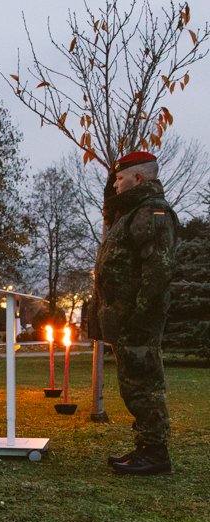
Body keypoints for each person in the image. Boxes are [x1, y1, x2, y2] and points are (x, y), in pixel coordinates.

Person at [93, 151, 179, 476]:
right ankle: (146, 446)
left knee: (145, 386)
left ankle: (156, 454)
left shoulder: (151, 212)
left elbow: (158, 269)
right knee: (133, 386)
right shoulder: (130, 213)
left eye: (119, 179)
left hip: (138, 320)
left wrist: (141, 318)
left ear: (138, 178)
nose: (115, 185)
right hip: (125, 320)